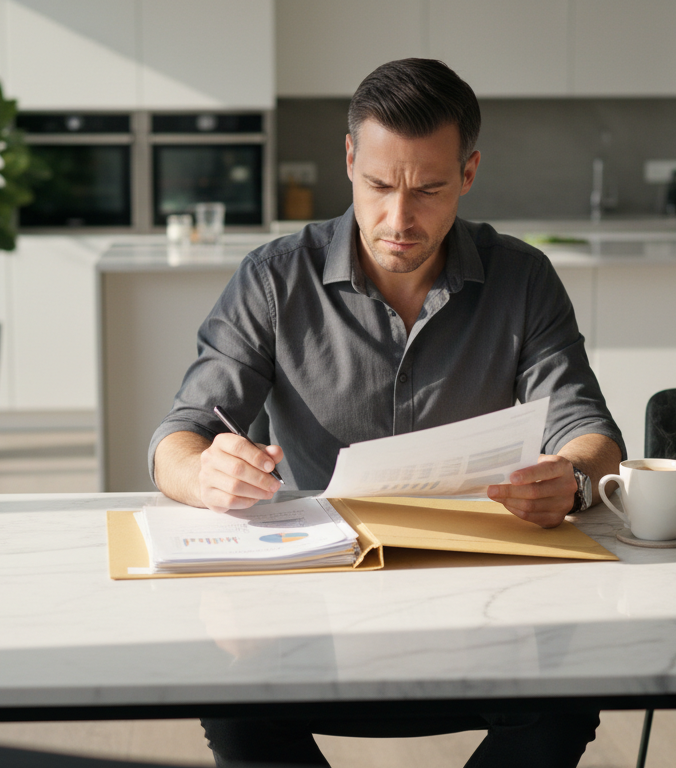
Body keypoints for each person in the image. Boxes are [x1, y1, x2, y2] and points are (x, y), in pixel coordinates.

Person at [149, 58, 623, 768]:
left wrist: (575, 479)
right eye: (377, 185)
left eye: (429, 189)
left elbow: (590, 433)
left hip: (481, 595)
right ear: (349, 159)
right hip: (314, 596)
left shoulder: (522, 279)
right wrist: (204, 473)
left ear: (467, 174)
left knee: (570, 700)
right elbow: (178, 436)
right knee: (231, 699)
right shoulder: (276, 278)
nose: (398, 220)